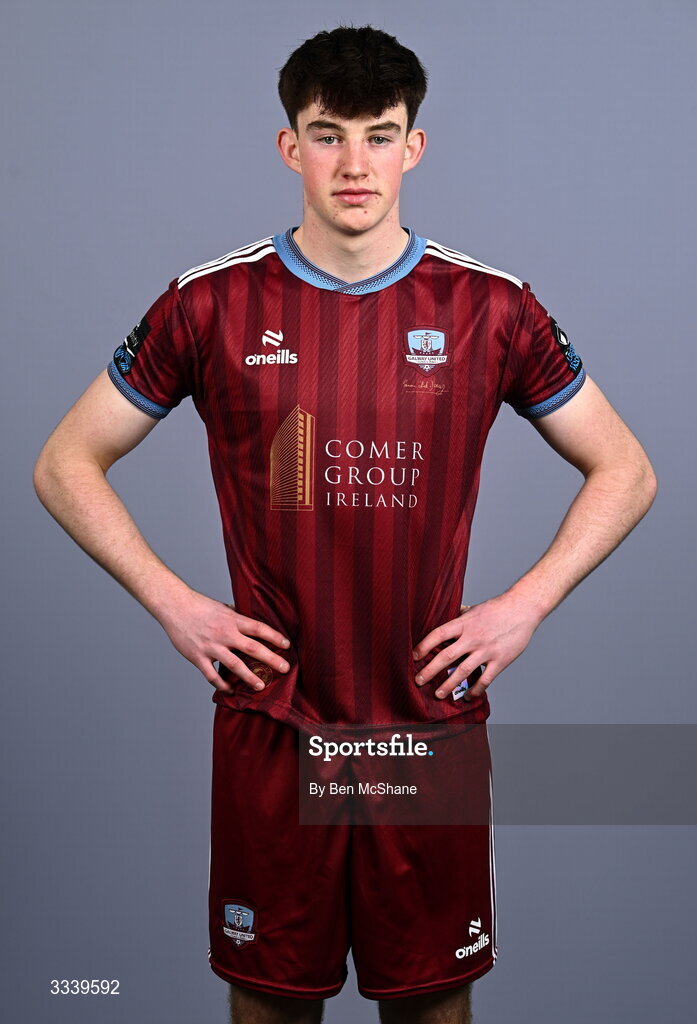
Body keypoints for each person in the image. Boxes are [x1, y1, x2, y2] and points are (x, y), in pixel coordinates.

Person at [33, 23, 656, 1024]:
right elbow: (65, 462)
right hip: (277, 726)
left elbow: (625, 469)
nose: (353, 162)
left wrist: (523, 607)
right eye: (327, 134)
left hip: (426, 726)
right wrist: (174, 604)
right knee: (271, 1004)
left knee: (432, 1004)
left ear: (414, 145)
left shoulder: (489, 307)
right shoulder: (211, 304)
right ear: (290, 147)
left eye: (379, 134)